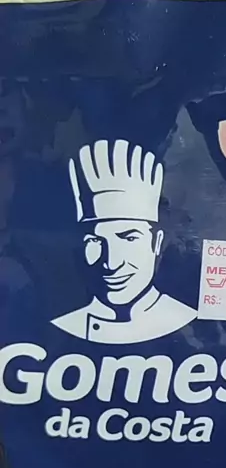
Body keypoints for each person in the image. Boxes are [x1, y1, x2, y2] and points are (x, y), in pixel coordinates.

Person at [52, 139, 197, 344]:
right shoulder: (63, 328)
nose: (111, 263)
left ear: (157, 243)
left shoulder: (188, 326)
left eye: (128, 238)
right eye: (95, 241)